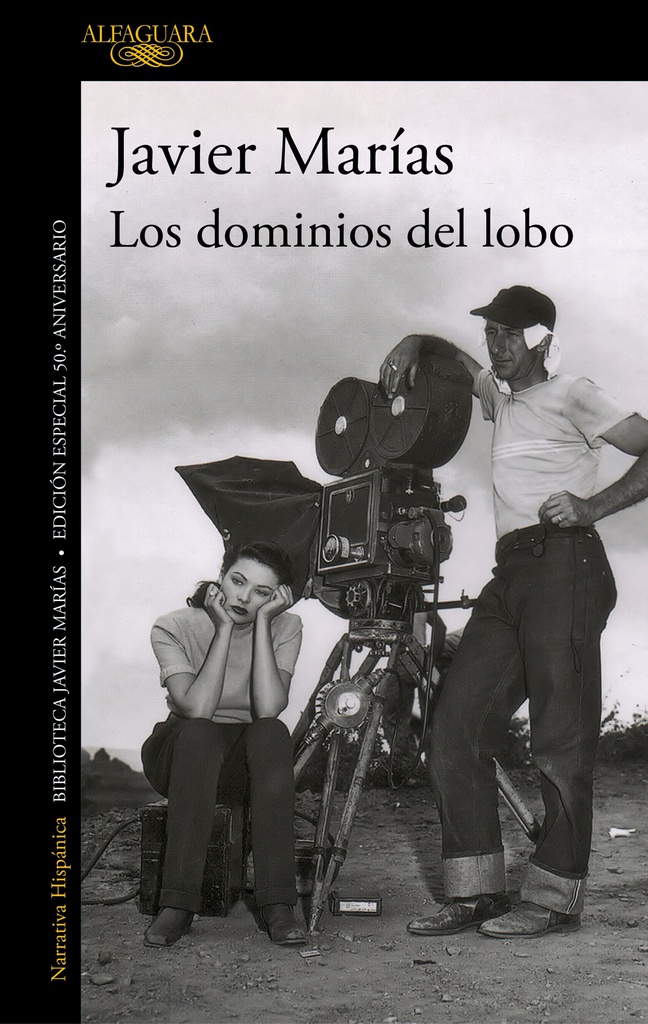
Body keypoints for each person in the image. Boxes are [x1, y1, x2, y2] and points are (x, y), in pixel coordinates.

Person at [379, 285, 648, 939]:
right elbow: (455, 361)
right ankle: (476, 892)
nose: (496, 345)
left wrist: (592, 507)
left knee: (560, 740)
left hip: (567, 563)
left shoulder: (574, 393)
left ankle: (554, 900)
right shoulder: (498, 396)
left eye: (509, 333)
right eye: (491, 332)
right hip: (511, 572)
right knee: (454, 726)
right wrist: (415, 342)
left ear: (542, 341)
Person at [141, 540, 307, 948]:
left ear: (277, 598)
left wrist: (264, 624)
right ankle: (177, 903)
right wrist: (224, 630)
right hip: (183, 749)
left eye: (262, 592)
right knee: (201, 732)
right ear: (221, 577)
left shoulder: (286, 627)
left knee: (272, 732)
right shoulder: (173, 626)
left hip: (244, 759)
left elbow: (268, 708)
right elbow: (198, 708)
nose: (244, 598)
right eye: (238, 581)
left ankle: (278, 904)